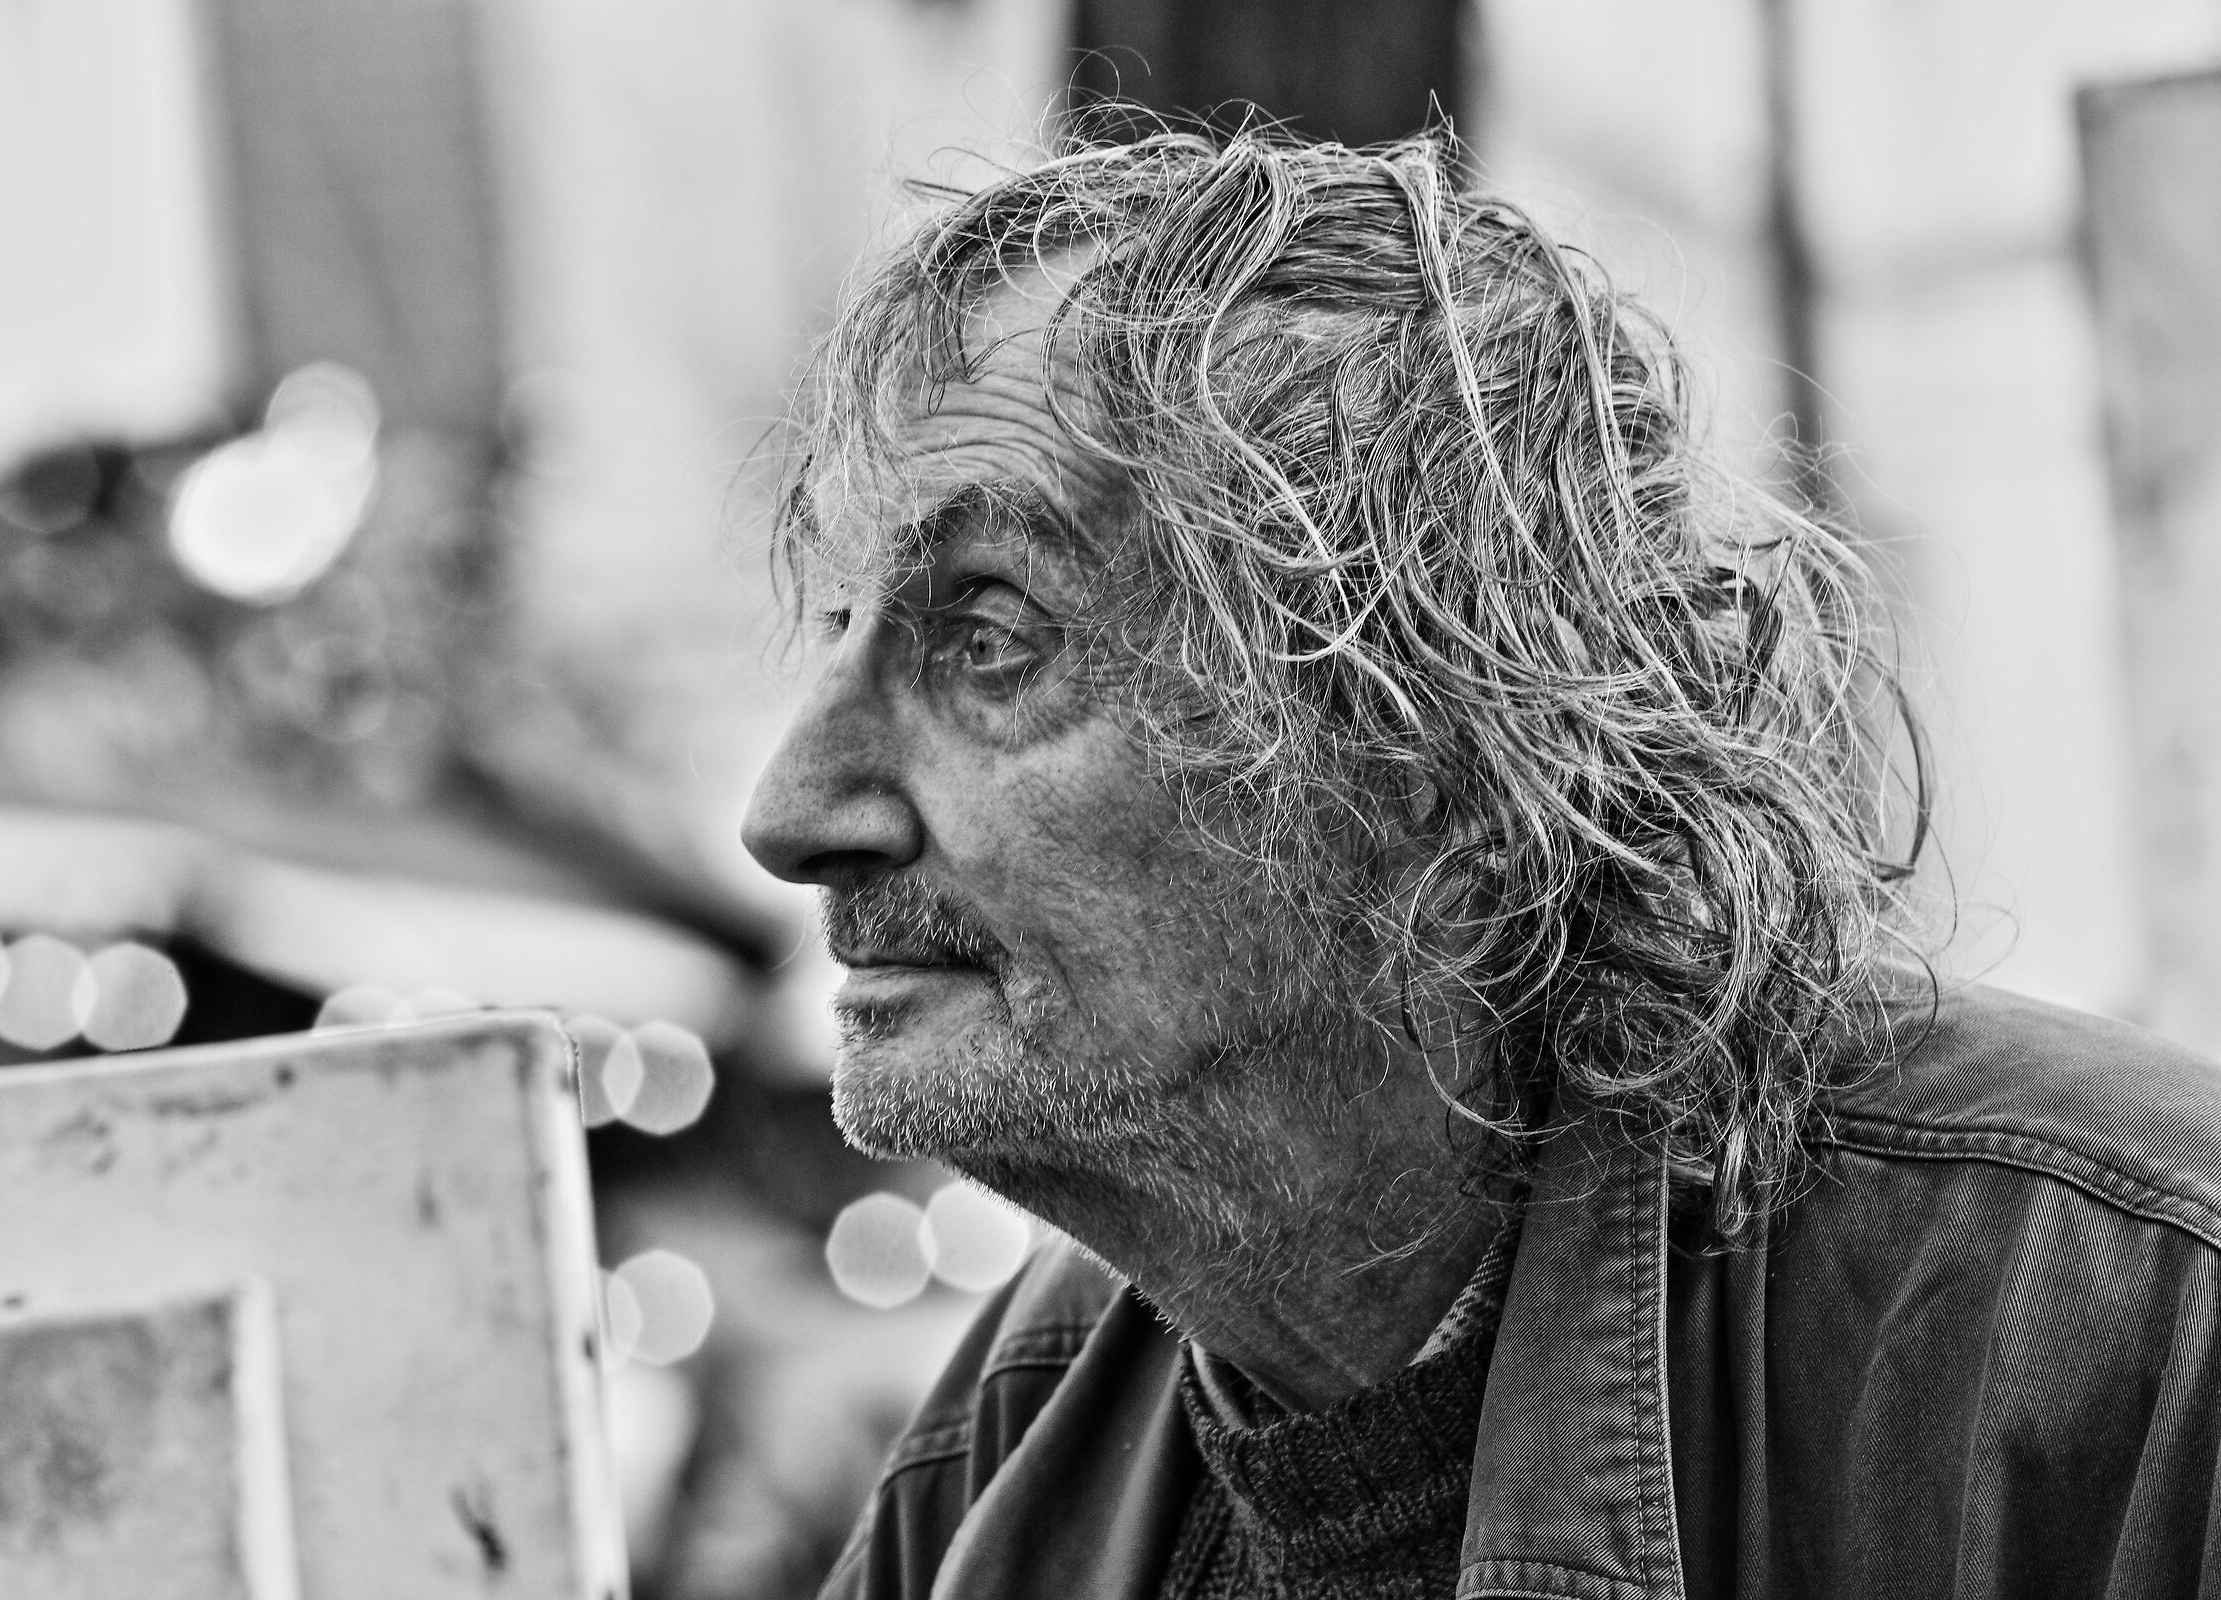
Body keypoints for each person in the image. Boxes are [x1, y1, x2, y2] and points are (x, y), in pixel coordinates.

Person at [738, 129, 2221, 1600]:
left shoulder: (2128, 1333)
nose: (792, 810)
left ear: (1436, 747)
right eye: (836, 629)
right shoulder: (1015, 1442)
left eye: (992, 636)